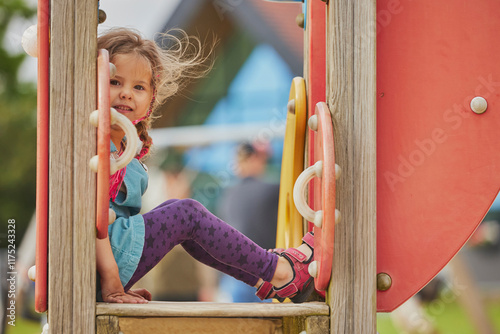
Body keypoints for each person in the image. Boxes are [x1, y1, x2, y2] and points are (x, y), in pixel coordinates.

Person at [95, 28, 315, 304]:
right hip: (101, 264)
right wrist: (112, 283)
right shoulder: (96, 147)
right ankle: (281, 272)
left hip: (111, 259)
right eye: (115, 82)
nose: (127, 93)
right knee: (185, 213)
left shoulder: (123, 150)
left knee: (179, 215)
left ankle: (269, 280)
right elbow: (93, 221)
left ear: (150, 100)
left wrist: (116, 282)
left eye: (139, 87)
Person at [216, 141, 280, 302]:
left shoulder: (227, 196)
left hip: (235, 275)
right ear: (254, 159)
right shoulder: (272, 190)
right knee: (272, 325)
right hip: (267, 273)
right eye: (262, 159)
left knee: (238, 324)